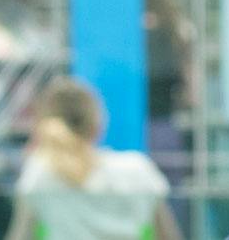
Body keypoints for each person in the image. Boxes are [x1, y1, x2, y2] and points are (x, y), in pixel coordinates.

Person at [9, 78, 182, 240]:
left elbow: (20, 236)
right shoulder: (138, 169)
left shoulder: (40, 172)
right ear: (98, 124)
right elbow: (169, 236)